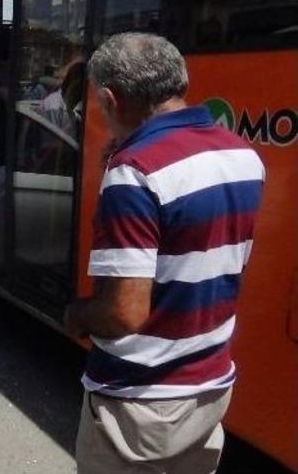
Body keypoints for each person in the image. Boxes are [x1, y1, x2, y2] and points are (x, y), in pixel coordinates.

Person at [63, 33, 265, 473]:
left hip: (142, 401)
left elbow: (123, 314)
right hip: (210, 384)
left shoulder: (135, 171)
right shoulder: (242, 153)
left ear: (111, 99)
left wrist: (78, 314)